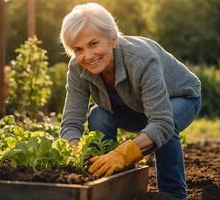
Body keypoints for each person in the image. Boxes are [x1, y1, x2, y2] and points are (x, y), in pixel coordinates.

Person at [59, 3, 201, 199]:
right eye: (78, 49)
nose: (87, 56)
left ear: (112, 39)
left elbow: (161, 122)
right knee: (98, 116)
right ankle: (108, 181)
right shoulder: (77, 68)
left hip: (180, 98)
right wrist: (73, 151)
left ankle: (173, 194)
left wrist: (124, 154)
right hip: (134, 108)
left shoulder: (141, 59)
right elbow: (71, 123)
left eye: (93, 44)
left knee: (168, 125)